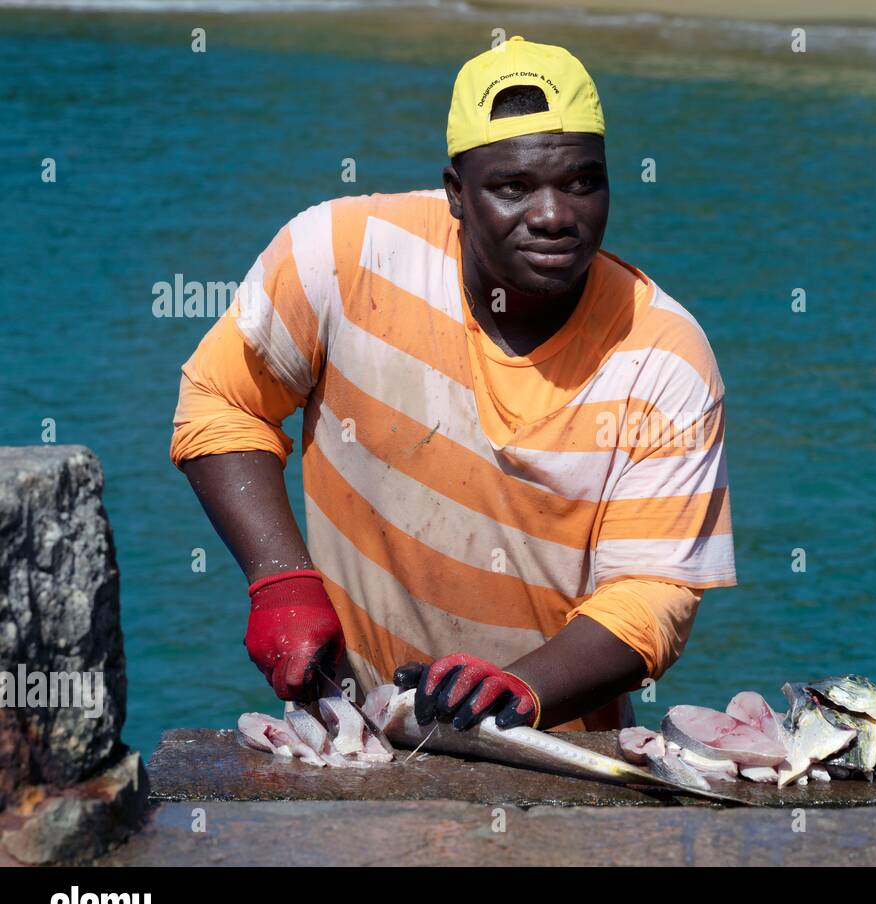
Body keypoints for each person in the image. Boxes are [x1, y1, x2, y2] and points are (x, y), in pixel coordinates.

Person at [169, 35, 735, 734]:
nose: (556, 214)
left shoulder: (663, 357)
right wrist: (281, 583)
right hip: (357, 734)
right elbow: (223, 400)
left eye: (583, 181)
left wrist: (518, 689)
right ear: (455, 195)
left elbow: (652, 593)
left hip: (556, 759)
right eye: (513, 187)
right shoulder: (344, 259)